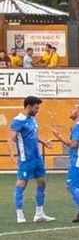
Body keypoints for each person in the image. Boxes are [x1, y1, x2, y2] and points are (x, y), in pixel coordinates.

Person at [49, 100, 79, 224]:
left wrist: (58, 136)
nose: (71, 110)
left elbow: (73, 144)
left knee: (71, 185)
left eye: (74, 109)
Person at [11, 95, 52, 223]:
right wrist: (12, 153)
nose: (37, 110)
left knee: (42, 182)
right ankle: (19, 215)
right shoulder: (18, 120)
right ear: (28, 107)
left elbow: (32, 135)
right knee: (22, 185)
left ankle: (39, 214)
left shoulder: (32, 119)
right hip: (26, 159)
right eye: (36, 108)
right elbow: (10, 138)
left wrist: (43, 142)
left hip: (36, 158)